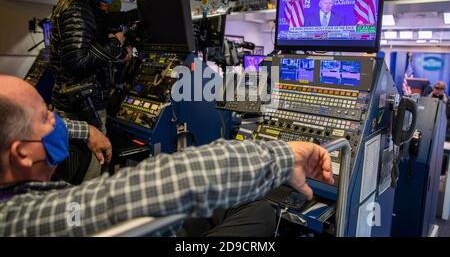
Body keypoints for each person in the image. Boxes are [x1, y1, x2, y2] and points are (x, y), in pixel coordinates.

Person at [0, 75, 333, 237]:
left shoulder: (17, 183)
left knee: (237, 206)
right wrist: (281, 157)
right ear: (22, 155)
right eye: (47, 117)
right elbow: (172, 181)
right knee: (260, 214)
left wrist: (85, 131)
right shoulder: (23, 220)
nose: (58, 122)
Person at [50, 0, 137, 132]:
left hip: (82, 106)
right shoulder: (76, 7)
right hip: (80, 111)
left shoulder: (85, 6)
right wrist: (115, 44)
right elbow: (78, 61)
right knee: (91, 162)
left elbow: (103, 26)